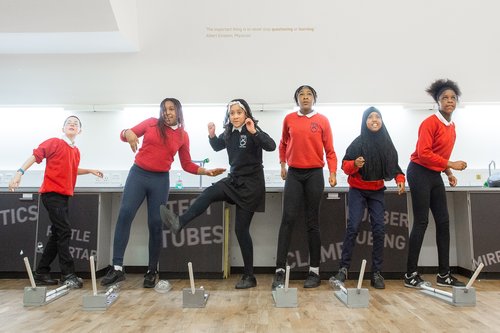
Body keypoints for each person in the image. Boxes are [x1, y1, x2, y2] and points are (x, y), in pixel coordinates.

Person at [100, 98, 225, 288]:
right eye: (164, 109)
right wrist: (128, 132)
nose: (167, 112)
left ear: (178, 112)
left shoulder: (183, 135)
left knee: (156, 224)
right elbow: (124, 134)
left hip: (160, 181)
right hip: (138, 175)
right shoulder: (151, 123)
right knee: (125, 214)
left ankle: (152, 270)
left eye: (171, 109)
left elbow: (187, 164)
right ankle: (117, 268)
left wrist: (205, 171)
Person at [160, 99, 276, 289]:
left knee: (241, 230)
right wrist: (212, 135)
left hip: (251, 185)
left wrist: (254, 131)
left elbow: (271, 146)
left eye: (239, 112)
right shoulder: (229, 132)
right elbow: (217, 146)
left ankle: (249, 276)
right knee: (209, 193)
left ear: (246, 114)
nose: (236, 116)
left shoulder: (253, 130)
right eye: (232, 113)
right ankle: (179, 222)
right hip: (234, 180)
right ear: (228, 116)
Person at [9, 115, 103, 289]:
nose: (72, 125)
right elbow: (35, 156)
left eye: (76, 124)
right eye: (69, 123)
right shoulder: (54, 142)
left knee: (58, 234)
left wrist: (89, 170)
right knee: (64, 231)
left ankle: (42, 272)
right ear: (63, 129)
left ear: (79, 131)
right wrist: (19, 173)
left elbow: (72, 170)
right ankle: (68, 274)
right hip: (52, 194)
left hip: (63, 196)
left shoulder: (75, 151)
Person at [331, 106, 405, 290]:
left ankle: (376, 272)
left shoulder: (387, 143)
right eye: (370, 117)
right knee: (353, 227)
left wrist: (400, 179)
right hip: (357, 189)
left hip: (377, 191)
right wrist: (355, 164)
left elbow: (395, 166)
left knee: (379, 229)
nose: (374, 119)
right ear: (364, 122)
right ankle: (343, 269)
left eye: (377, 116)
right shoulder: (358, 143)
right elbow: (345, 166)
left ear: (382, 121)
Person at [272, 85, 338, 290]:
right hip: (294, 174)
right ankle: (280, 271)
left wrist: (333, 172)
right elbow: (282, 143)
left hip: (315, 174)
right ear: (297, 99)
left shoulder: (322, 121)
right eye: (302, 95)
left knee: (312, 222)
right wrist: (282, 164)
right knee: (287, 219)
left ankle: (314, 271)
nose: (305, 97)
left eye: (309, 94)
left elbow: (330, 150)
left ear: (314, 99)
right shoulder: (289, 119)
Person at [404, 79, 467, 288]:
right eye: (444, 98)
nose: (449, 101)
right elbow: (424, 154)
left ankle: (443, 274)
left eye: (452, 98)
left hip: (434, 174)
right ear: (437, 102)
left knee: (443, 221)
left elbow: (439, 155)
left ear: (456, 101)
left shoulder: (452, 127)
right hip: (419, 171)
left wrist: (448, 172)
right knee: (421, 221)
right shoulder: (429, 123)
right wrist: (451, 164)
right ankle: (410, 274)